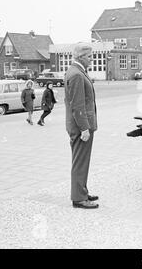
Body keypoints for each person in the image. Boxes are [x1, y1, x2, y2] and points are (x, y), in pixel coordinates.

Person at [64, 43, 99, 209]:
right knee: (80, 162)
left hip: (79, 125)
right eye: (90, 56)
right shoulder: (77, 74)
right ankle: (79, 198)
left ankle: (82, 192)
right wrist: (84, 128)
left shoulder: (76, 71)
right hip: (81, 127)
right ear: (81, 57)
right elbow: (77, 105)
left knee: (82, 161)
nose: (92, 59)